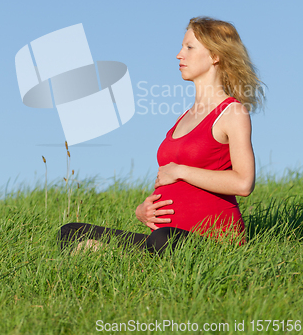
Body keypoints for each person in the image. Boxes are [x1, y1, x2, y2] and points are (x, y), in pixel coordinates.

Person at [59, 16, 265, 255]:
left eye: (189, 47)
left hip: (211, 241)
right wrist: (142, 210)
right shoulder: (184, 117)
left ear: (215, 56)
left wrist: (181, 170)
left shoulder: (232, 112)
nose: (179, 55)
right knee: (70, 231)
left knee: (163, 238)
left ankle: (111, 253)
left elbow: (243, 182)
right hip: (162, 235)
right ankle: (119, 254)